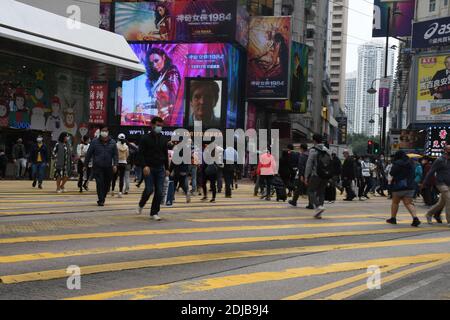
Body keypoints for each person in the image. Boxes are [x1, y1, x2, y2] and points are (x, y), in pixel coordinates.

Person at [136, 117, 169, 220]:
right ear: (152, 125)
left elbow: (165, 154)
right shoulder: (145, 138)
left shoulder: (163, 139)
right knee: (149, 189)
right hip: (148, 168)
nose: (160, 127)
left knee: (159, 191)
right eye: (158, 125)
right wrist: (144, 166)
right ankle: (141, 204)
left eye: (161, 126)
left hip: (160, 169)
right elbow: (140, 154)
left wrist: (167, 168)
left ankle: (154, 212)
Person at [145, 48, 181, 125]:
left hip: (170, 119)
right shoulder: (158, 76)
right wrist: (145, 106)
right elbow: (159, 102)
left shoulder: (172, 74)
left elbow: (176, 100)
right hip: (159, 119)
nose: (154, 65)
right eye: (151, 63)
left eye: (156, 60)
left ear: (164, 57)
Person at [386, 151, 421, 227]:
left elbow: (392, 173)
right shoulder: (411, 163)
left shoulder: (397, 163)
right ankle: (415, 218)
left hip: (398, 186)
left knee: (395, 202)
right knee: (408, 203)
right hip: (410, 186)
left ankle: (393, 218)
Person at [85, 127, 118, 206]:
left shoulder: (113, 142)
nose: (104, 132)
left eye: (105, 131)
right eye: (103, 131)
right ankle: (101, 199)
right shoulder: (94, 142)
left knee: (107, 184)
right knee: (99, 183)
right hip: (97, 166)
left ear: (108, 132)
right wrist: (85, 164)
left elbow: (115, 155)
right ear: (100, 132)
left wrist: (115, 164)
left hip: (108, 166)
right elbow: (89, 153)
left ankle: (103, 196)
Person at [305, 134, 332, 219]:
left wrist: (306, 176)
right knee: (321, 192)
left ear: (314, 141)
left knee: (310, 191)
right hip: (325, 175)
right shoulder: (327, 150)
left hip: (316, 174)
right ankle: (319, 213)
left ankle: (318, 206)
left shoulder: (313, 150)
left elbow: (309, 164)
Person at [423, 145, 450, 225]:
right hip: (441, 183)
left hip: (449, 184)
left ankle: (429, 214)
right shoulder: (440, 160)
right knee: (449, 200)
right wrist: (425, 183)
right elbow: (431, 171)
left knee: (441, 203)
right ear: (445, 150)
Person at [111, 134, 129, 198]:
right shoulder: (126, 146)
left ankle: (112, 190)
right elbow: (127, 155)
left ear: (118, 138)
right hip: (123, 163)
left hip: (116, 163)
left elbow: (113, 154)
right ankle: (120, 192)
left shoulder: (115, 145)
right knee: (121, 178)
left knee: (114, 177)